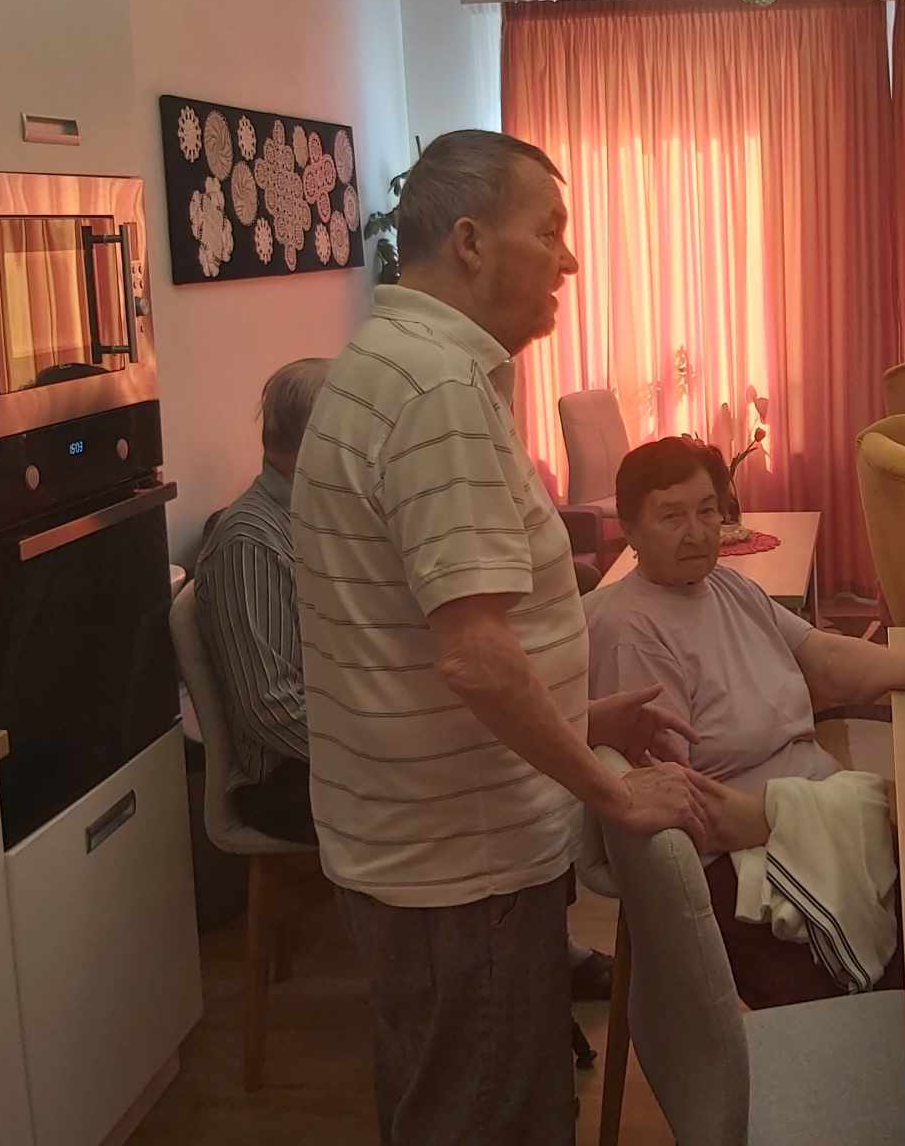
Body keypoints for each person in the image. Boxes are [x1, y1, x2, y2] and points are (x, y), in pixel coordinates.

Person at [291, 129, 709, 1145]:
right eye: (550, 232)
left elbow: (418, 637)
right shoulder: (435, 393)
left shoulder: (391, 365)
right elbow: (474, 658)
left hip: (422, 842)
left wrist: (575, 715)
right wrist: (610, 788)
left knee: (446, 1101)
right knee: (490, 1117)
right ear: (472, 242)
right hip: (459, 866)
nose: (570, 260)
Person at [586, 435, 905, 1008]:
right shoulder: (633, 631)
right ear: (630, 531)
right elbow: (680, 806)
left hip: (809, 813)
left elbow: (825, 658)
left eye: (707, 511)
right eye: (671, 517)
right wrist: (817, 816)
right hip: (741, 865)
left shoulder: (726, 586)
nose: (696, 532)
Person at [194, 358, 332, 844]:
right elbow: (271, 708)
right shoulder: (250, 542)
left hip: (334, 751)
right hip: (288, 778)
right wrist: (380, 751)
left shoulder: (316, 514)